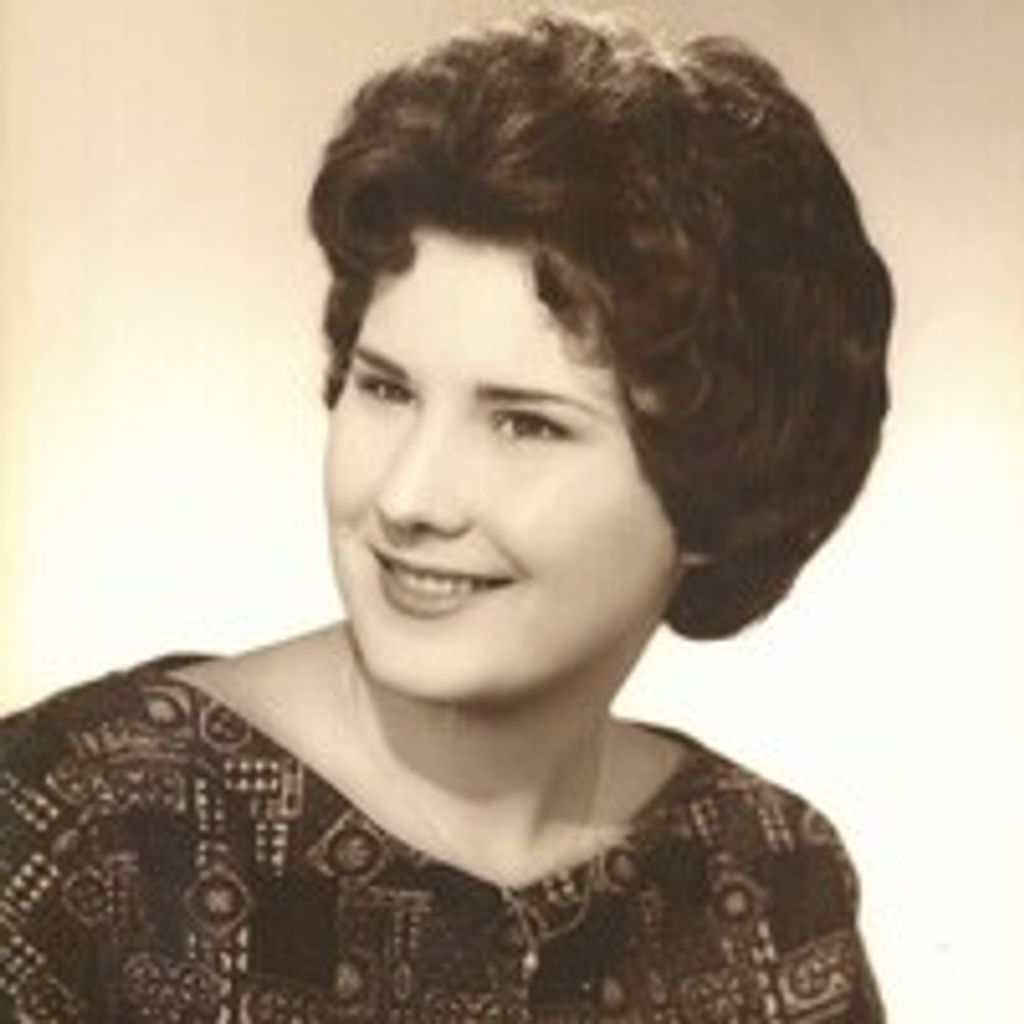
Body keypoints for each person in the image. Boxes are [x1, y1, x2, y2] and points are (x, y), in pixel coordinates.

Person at [0, 12, 892, 1022]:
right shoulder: (75, 822)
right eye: (386, 389)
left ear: (721, 489)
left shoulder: (768, 877)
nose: (408, 498)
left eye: (525, 424)